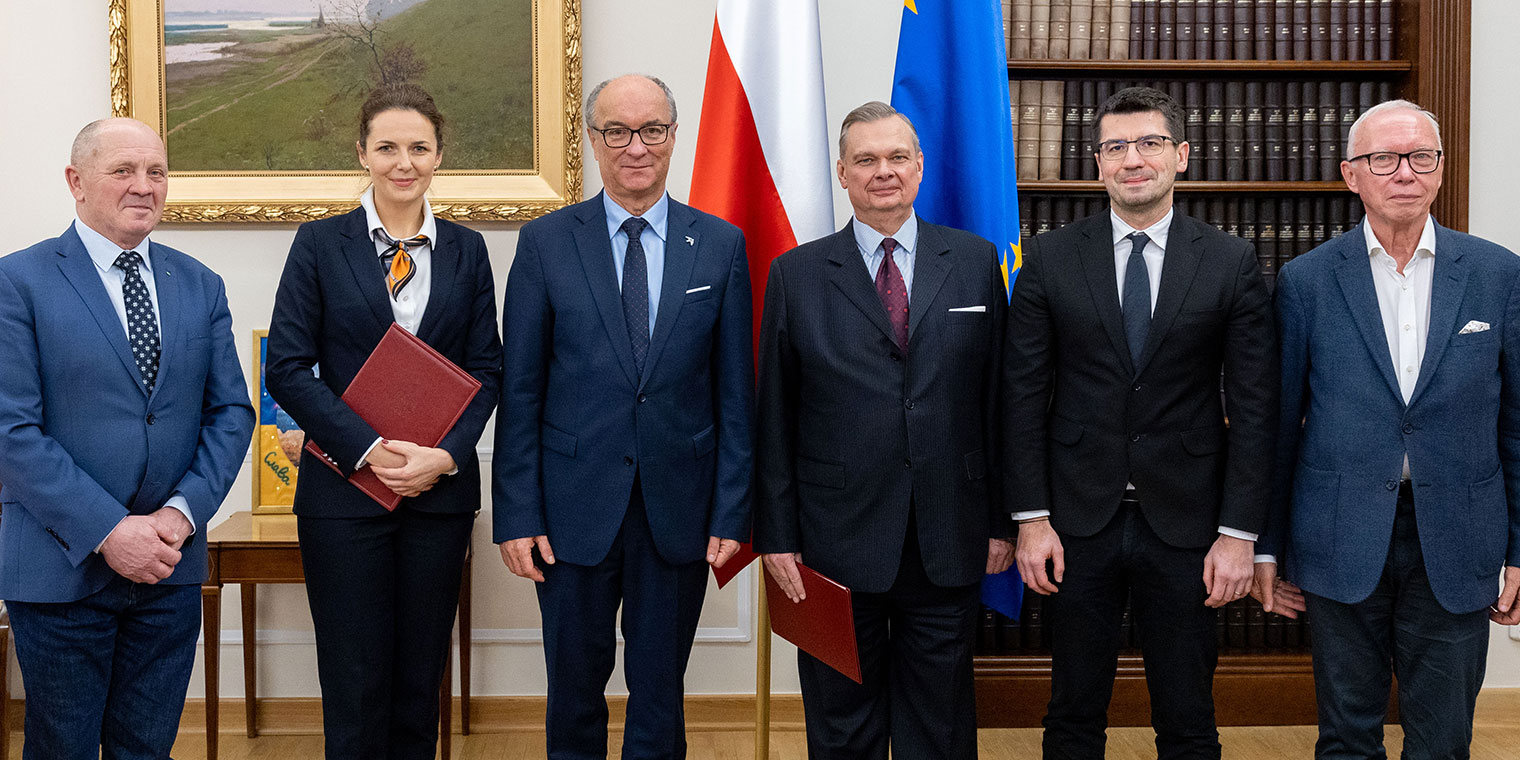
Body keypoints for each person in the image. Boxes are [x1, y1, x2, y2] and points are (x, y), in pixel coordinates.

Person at [1005, 86, 1277, 759]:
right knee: (1072, 712)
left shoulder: (1229, 261)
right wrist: (1031, 519)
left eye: (1150, 143)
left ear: (1181, 156)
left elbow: (1255, 407)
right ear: (1097, 164)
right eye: (1116, 146)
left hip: (1188, 526)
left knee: (1188, 716)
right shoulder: (1048, 258)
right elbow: (1019, 396)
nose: (1134, 158)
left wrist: (1239, 534)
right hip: (1075, 522)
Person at [494, 73, 753, 759]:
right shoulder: (546, 242)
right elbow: (520, 389)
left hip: (679, 511)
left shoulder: (720, 245)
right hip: (570, 512)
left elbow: (734, 395)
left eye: (651, 130)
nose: (635, 147)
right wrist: (517, 514)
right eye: (617, 130)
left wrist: (732, 511)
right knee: (574, 692)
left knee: (659, 693)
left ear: (674, 134)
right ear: (594, 138)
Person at [1255, 99, 1520, 758]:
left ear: (1438, 170)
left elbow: (1517, 423)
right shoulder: (1306, 280)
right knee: (1346, 733)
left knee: (1443, 739)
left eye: (1420, 156)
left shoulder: (1497, 274)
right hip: (1338, 534)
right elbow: (1279, 426)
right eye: (1384, 158)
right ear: (1352, 174)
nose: (1404, 172)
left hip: (1459, 539)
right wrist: (1268, 548)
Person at [753, 101, 1013, 760]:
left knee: (941, 728)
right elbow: (775, 417)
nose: (883, 171)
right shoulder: (798, 274)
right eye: (865, 160)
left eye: (897, 157)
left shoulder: (978, 262)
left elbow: (999, 402)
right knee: (842, 727)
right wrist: (776, 534)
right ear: (842, 173)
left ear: (920, 167)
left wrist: (1002, 521)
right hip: (832, 541)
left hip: (947, 532)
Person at [0, 117, 254, 758]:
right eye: (124, 171)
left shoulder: (200, 284)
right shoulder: (17, 282)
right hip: (60, 571)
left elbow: (230, 414)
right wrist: (113, 532)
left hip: (168, 568)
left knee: (147, 748)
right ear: (75, 182)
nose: (144, 186)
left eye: (157, 172)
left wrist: (178, 514)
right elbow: (12, 431)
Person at [264, 83, 502, 759]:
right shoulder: (317, 244)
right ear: (362, 152)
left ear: (439, 155)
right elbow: (286, 367)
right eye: (388, 147)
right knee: (354, 678)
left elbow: (488, 370)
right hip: (343, 493)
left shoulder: (468, 250)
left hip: (437, 496)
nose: (405, 162)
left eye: (420, 147)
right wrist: (365, 449)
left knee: (418, 678)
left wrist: (446, 457)